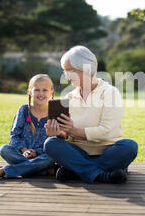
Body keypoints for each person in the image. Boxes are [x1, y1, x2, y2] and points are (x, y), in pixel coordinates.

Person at [43, 45, 138, 184]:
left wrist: (74, 130)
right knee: (51, 143)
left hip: (107, 152)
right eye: (65, 71)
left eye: (70, 71)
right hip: (78, 152)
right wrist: (58, 133)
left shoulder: (110, 92)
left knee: (129, 146)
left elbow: (107, 131)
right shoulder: (69, 96)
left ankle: (77, 171)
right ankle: (103, 175)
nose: (67, 76)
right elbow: (67, 136)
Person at [0, 74, 57, 181]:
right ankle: (43, 170)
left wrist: (36, 152)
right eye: (37, 90)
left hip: (43, 156)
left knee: (51, 157)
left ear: (51, 92)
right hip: (22, 154)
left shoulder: (54, 113)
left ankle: (5, 170)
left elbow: (55, 140)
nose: (41, 93)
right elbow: (14, 135)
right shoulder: (23, 110)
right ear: (30, 92)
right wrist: (24, 150)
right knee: (4, 149)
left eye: (45, 90)